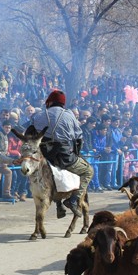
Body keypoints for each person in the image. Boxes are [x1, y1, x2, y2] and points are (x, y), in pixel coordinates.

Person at [31, 89, 93, 218]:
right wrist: (77, 153)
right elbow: (78, 137)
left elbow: (30, 132)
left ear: (49, 102)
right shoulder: (69, 115)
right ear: (62, 104)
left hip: (45, 155)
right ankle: (73, 200)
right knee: (88, 171)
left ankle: (59, 205)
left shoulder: (39, 115)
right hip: (64, 157)